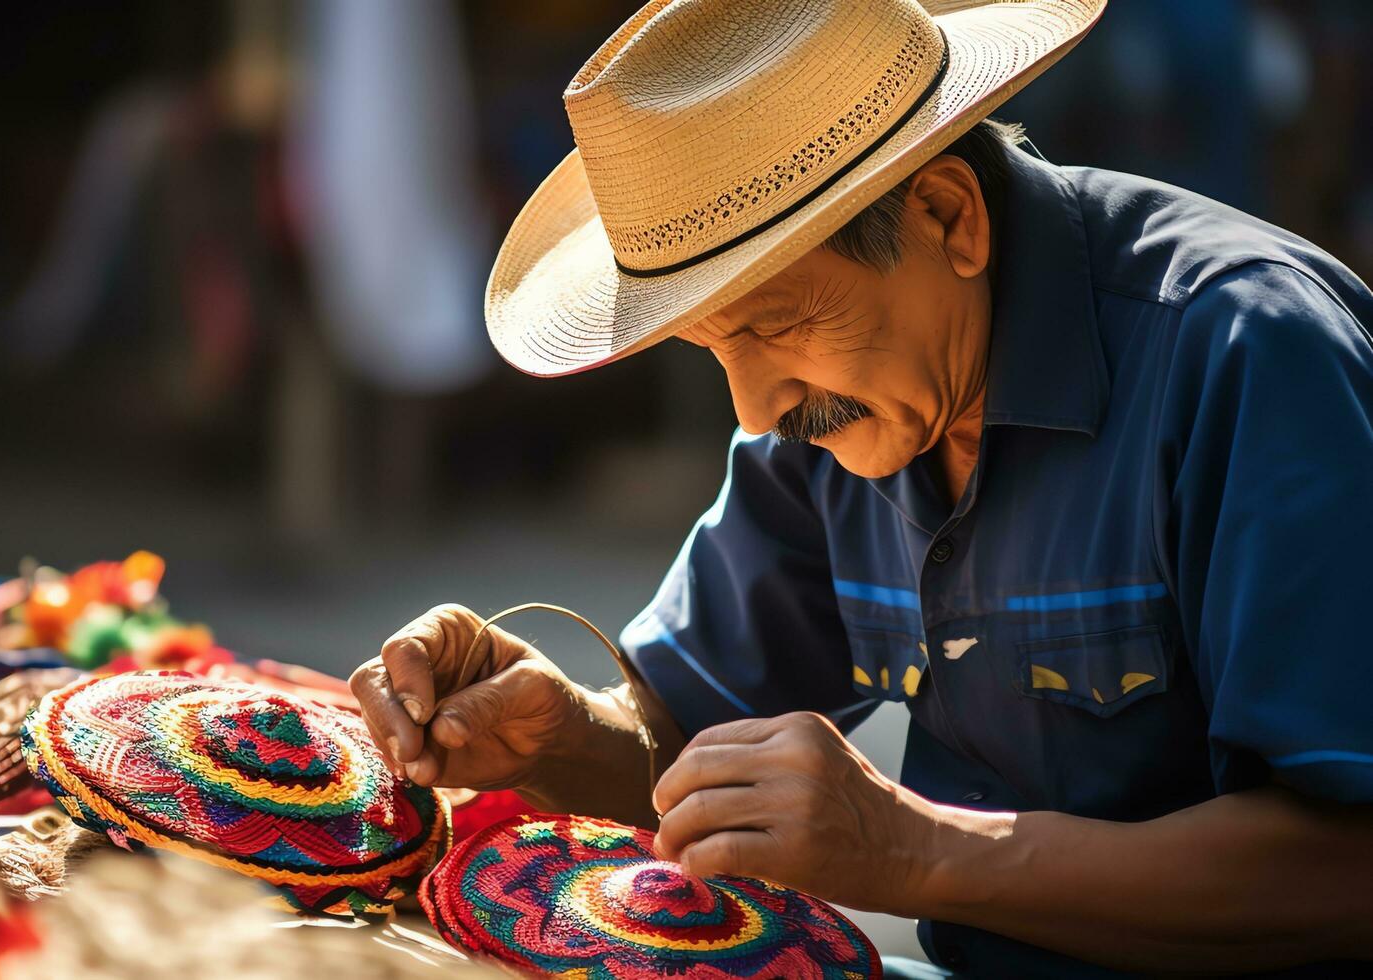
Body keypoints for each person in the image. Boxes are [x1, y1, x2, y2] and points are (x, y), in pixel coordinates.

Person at [351, 0, 1373, 974]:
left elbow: (1344, 866)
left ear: (945, 217)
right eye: (716, 349)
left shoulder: (1246, 352)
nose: (753, 407)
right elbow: (683, 736)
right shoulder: (836, 409)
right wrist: (562, 734)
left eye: (775, 323)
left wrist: (911, 847)